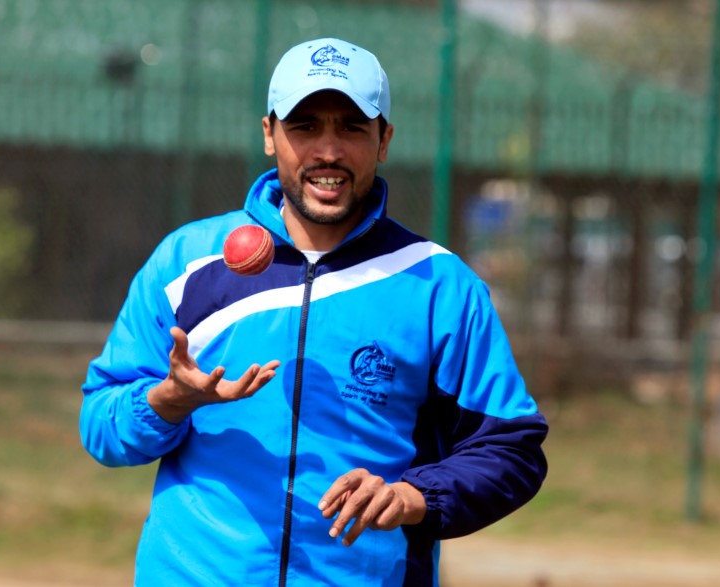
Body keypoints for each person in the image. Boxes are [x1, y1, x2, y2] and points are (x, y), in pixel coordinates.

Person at [80, 37, 548, 587]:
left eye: (351, 127)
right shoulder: (187, 263)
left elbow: (511, 450)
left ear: (384, 140)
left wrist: (414, 496)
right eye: (305, 126)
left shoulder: (437, 285)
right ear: (268, 134)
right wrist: (168, 400)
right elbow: (101, 424)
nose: (328, 151)